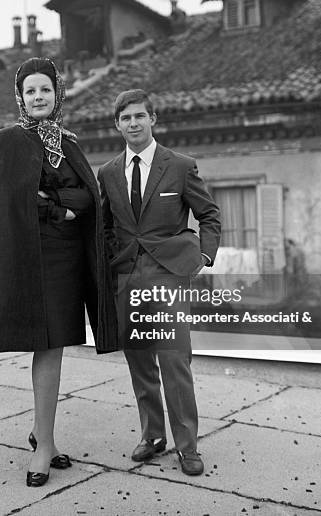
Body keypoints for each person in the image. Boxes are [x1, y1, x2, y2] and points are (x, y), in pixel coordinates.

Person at [0, 57, 118, 487]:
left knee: (53, 347)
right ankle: (44, 443)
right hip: (25, 257)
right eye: (30, 91)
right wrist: (57, 205)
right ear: (20, 97)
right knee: (40, 343)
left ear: (58, 95)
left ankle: (44, 438)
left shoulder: (69, 143)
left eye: (45, 90)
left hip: (65, 262)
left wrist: (55, 202)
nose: (38, 97)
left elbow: (88, 197)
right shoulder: (2, 143)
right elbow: (0, 202)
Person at [97, 89, 220, 476]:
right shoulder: (109, 172)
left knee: (172, 360)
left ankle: (187, 446)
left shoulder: (180, 166)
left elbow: (209, 215)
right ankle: (152, 436)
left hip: (168, 275)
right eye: (125, 118)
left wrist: (203, 256)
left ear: (153, 119)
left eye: (139, 116)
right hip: (127, 277)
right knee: (139, 361)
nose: (133, 123)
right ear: (117, 125)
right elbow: (105, 227)